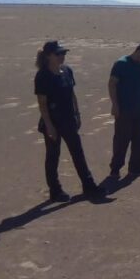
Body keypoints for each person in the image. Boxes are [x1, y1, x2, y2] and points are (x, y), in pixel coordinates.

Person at [34, 41, 103, 201]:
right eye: (59, 54)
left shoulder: (67, 71)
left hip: (69, 120)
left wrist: (77, 114)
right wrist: (49, 126)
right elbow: (42, 104)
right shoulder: (43, 76)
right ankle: (55, 190)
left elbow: (72, 95)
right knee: (53, 156)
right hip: (53, 122)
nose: (62, 56)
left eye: (64, 53)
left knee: (78, 153)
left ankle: (89, 185)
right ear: (49, 56)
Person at [108, 42, 140, 179]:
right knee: (121, 140)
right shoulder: (121, 64)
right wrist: (115, 105)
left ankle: (135, 167)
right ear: (139, 52)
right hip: (124, 109)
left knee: (139, 139)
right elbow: (112, 84)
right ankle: (115, 169)